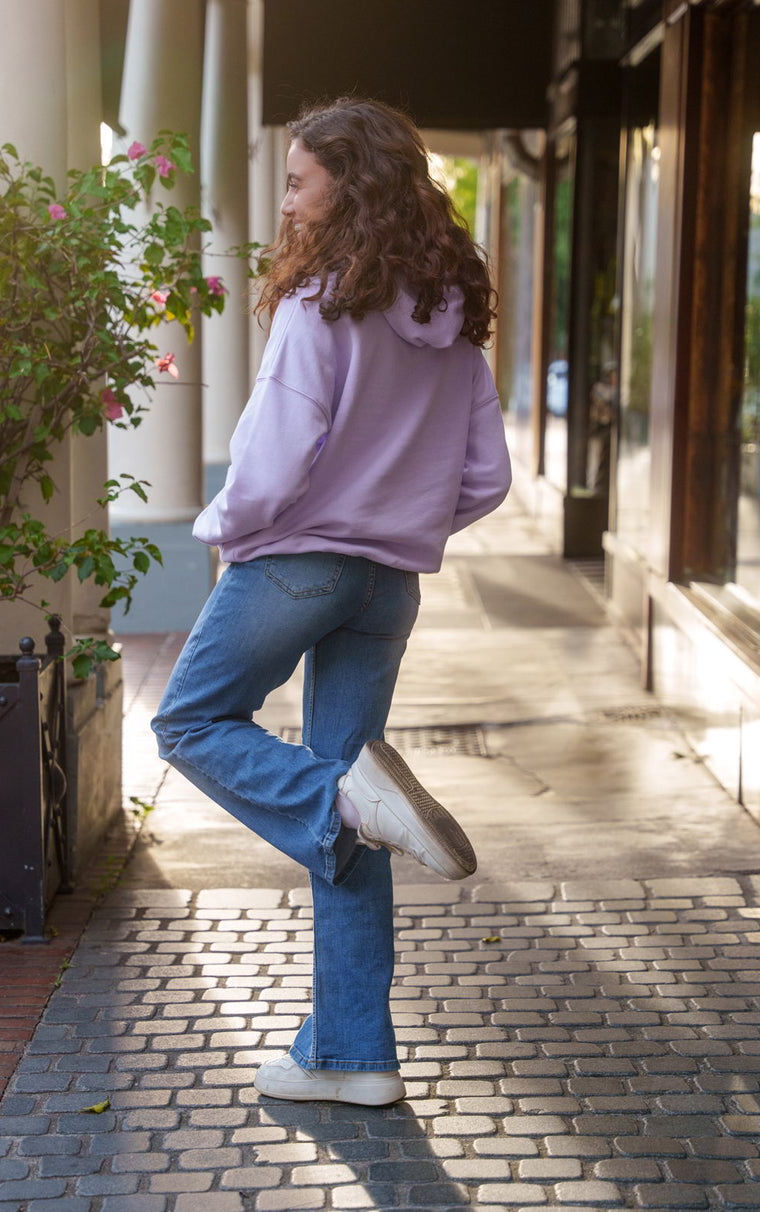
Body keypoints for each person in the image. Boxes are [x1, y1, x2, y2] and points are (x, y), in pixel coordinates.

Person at [151, 97, 511, 1106]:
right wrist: (399, 522)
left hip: (294, 565)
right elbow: (484, 480)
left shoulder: (318, 306)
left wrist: (218, 531)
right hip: (387, 586)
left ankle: (336, 805)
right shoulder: (452, 325)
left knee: (187, 723)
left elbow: (267, 469)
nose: (287, 201)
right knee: (359, 805)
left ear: (346, 188)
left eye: (300, 181)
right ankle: (351, 1056)